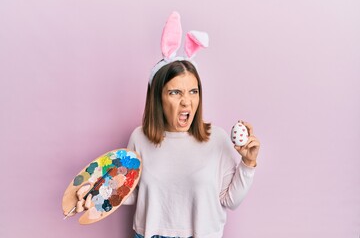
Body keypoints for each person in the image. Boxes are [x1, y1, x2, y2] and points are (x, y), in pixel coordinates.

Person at [69, 12, 260, 238]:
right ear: (158, 97)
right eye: (175, 92)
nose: (186, 101)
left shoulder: (217, 139)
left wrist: (248, 162)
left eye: (193, 91)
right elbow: (128, 191)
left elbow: (230, 200)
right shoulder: (140, 138)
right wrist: (94, 196)